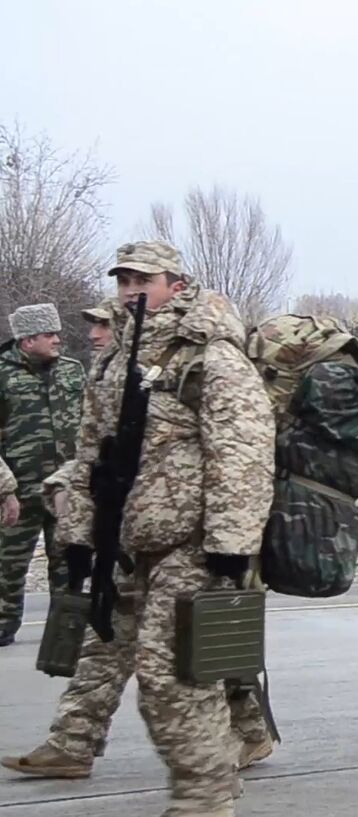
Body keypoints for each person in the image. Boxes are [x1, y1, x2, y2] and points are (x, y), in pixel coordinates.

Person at [55, 240, 276, 816]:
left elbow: (244, 451)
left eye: (144, 280)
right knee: (125, 659)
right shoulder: (113, 362)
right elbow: (89, 455)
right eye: (124, 279)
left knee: (172, 676)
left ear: (176, 285)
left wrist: (231, 544)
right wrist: (78, 534)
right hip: (129, 542)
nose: (131, 290)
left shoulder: (209, 356)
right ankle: (209, 784)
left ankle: (204, 796)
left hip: (193, 542)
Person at [0, 302, 86, 647]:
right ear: (27, 341)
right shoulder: (3, 375)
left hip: (63, 487)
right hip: (16, 489)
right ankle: (3, 626)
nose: (58, 340)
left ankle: (65, 630)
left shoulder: (72, 371)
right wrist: (5, 490)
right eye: (50, 335)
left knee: (67, 562)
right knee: (8, 562)